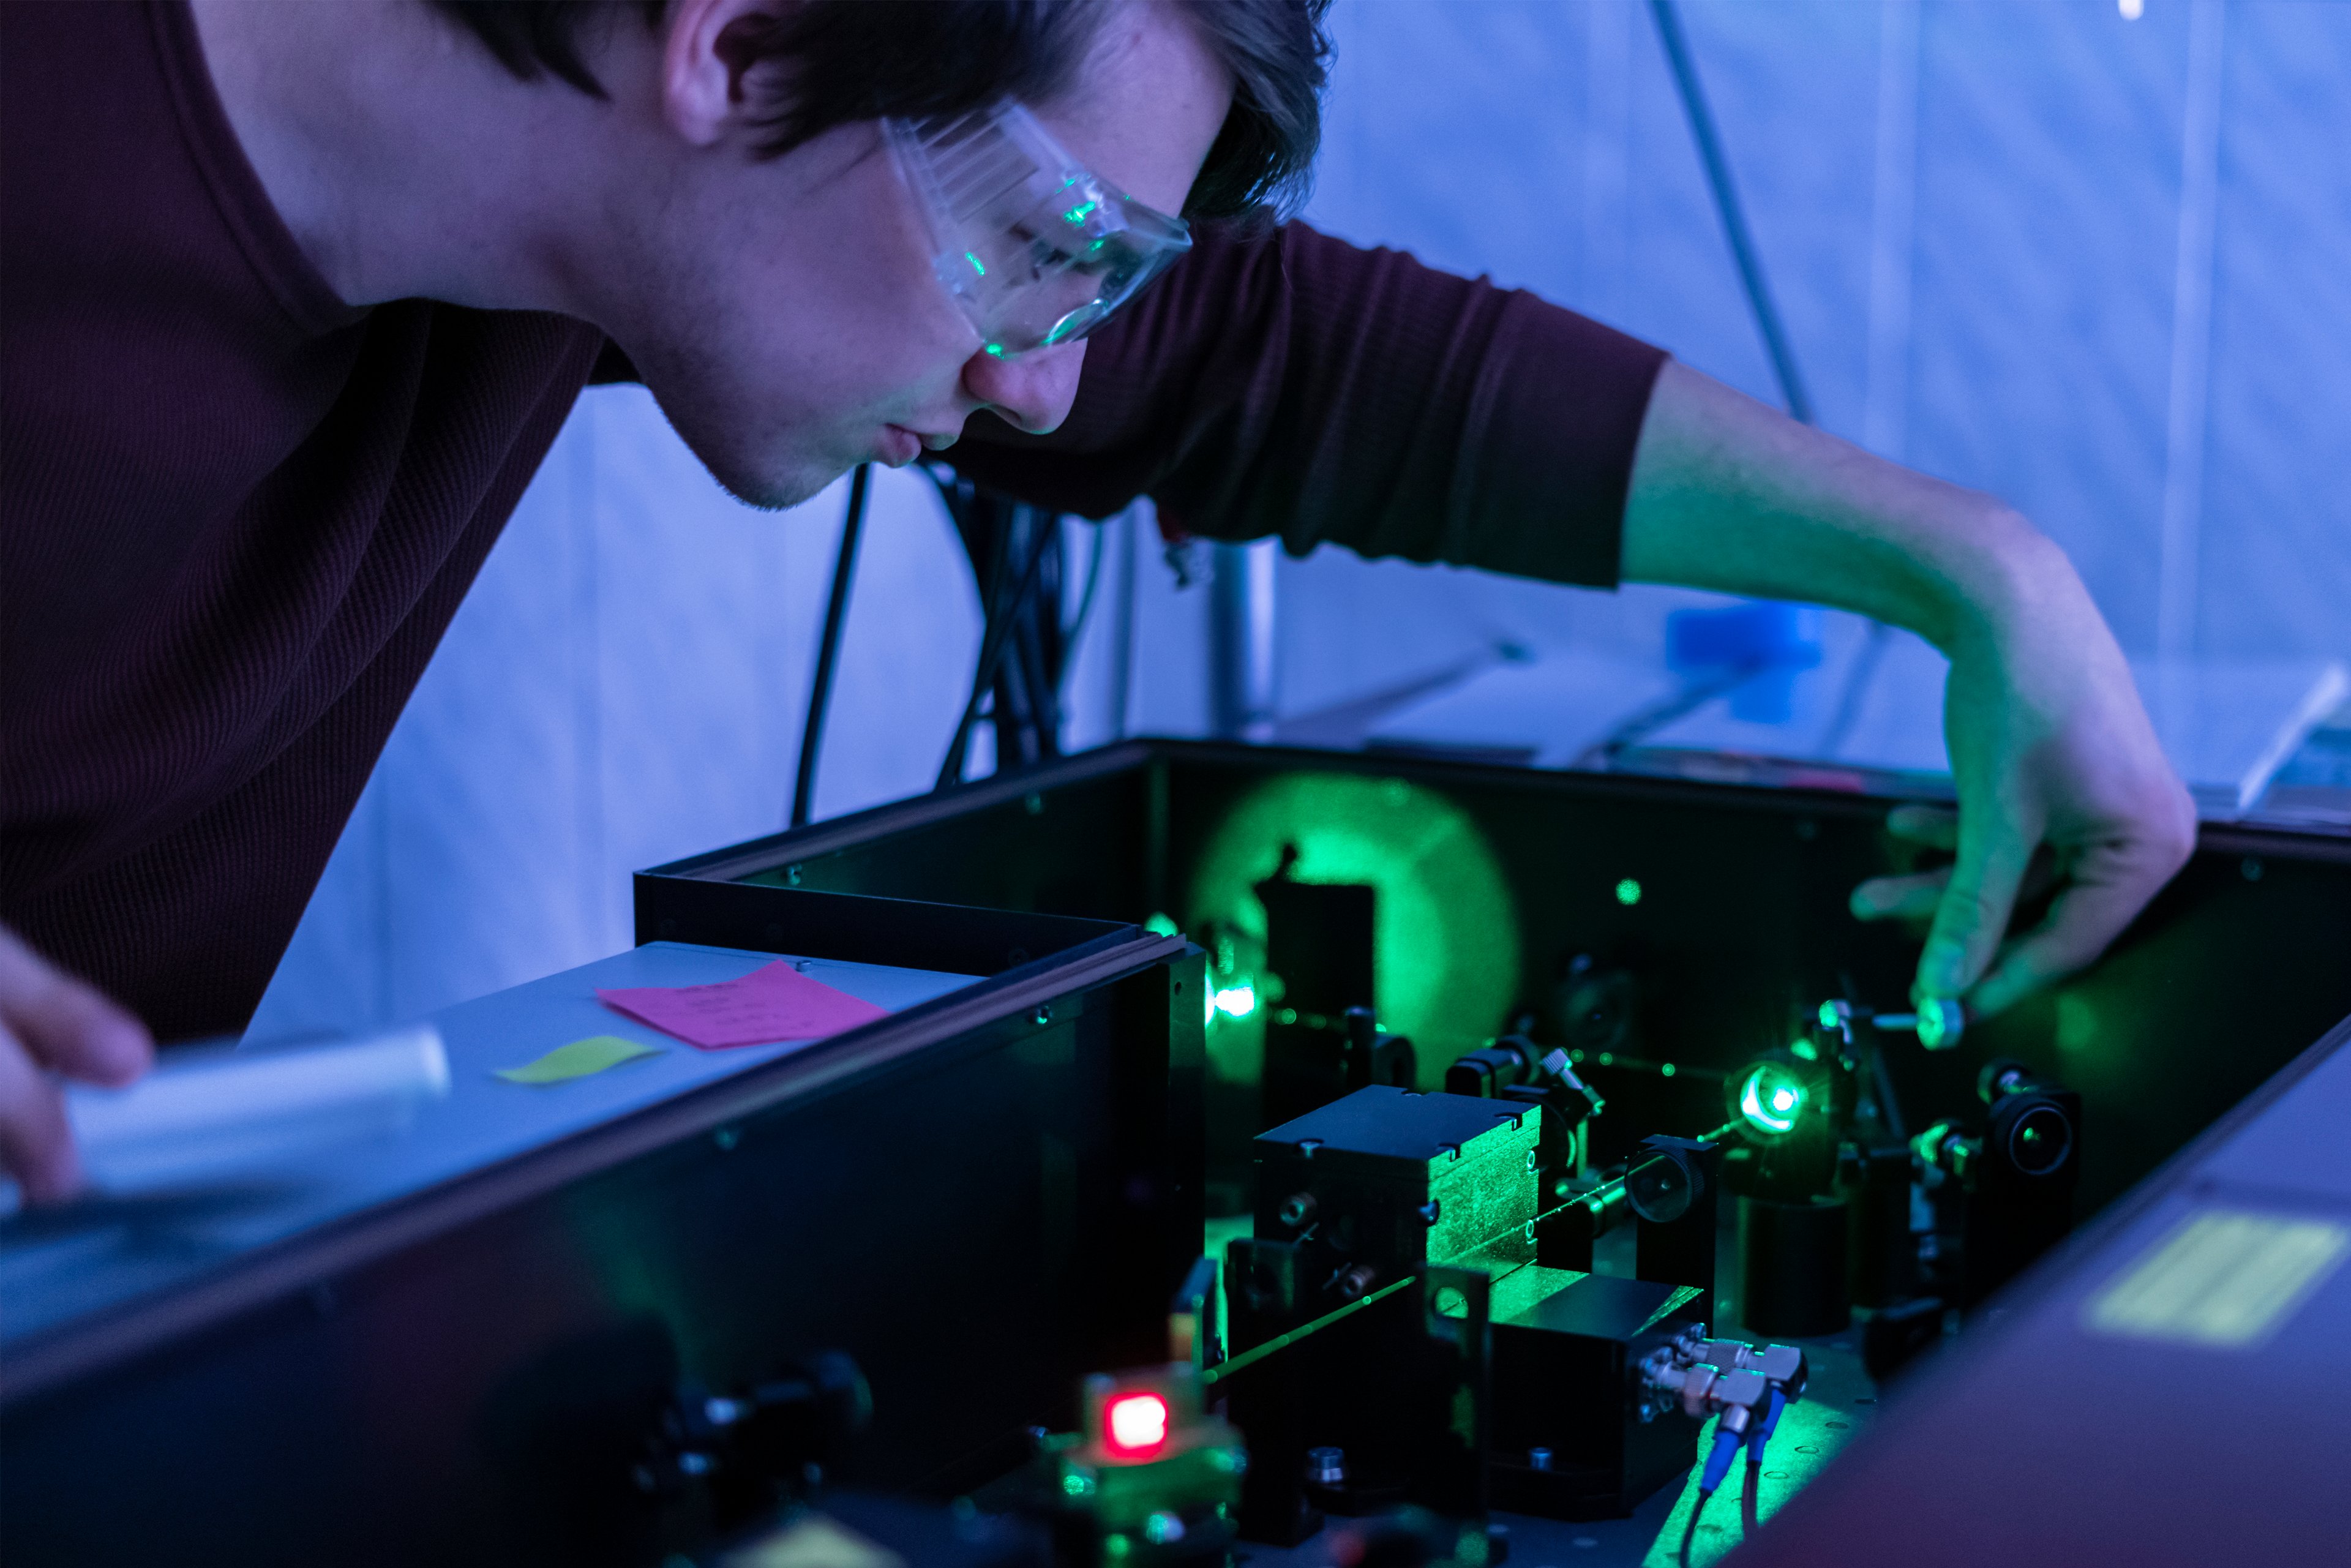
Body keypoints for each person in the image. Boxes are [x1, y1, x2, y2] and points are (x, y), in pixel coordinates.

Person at [0, 0, 2194, 1201]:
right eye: (1055, 252)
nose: (1041, 383)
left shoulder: (584, 202)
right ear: (741, 47)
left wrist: (1972, 570)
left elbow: (1281, 364)